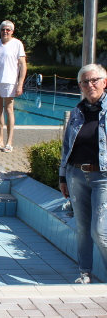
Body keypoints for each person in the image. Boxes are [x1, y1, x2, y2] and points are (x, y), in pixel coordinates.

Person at [59, 63, 107, 284]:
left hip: (103, 178)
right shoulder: (77, 112)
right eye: (85, 82)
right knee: (82, 229)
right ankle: (84, 273)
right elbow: (67, 146)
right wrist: (62, 177)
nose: (90, 85)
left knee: (100, 232)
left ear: (104, 82)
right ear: (80, 85)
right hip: (76, 175)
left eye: (94, 80)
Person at [0, 20, 27, 153]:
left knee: (9, 110)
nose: (5, 32)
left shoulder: (17, 44)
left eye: (8, 29)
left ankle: (9, 142)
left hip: (10, 82)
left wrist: (20, 83)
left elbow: (23, 65)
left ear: (12, 31)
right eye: (3, 29)